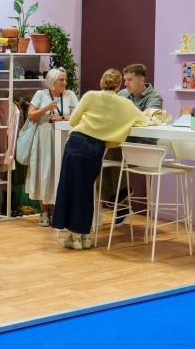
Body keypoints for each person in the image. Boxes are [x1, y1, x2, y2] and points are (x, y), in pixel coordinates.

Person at [52, 69, 148, 250]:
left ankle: (75, 238)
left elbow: (73, 122)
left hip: (77, 143)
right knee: (87, 191)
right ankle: (85, 236)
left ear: (102, 81)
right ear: (119, 85)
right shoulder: (124, 104)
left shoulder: (91, 96)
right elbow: (142, 121)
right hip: (97, 149)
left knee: (71, 189)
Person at [101, 62, 164, 205]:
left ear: (141, 80)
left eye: (129, 80)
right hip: (126, 142)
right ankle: (114, 198)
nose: (125, 84)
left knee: (113, 149)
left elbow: (147, 118)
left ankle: (118, 196)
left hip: (144, 146)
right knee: (101, 149)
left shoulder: (154, 97)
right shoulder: (123, 94)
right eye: (125, 80)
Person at [26, 68, 79, 227]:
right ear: (52, 81)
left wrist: (61, 117)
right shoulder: (40, 94)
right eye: (61, 80)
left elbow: (78, 115)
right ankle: (43, 211)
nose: (65, 82)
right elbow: (30, 116)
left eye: (65, 79)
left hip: (63, 138)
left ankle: (56, 210)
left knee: (58, 172)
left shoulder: (70, 95)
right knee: (44, 172)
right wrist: (46, 109)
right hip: (43, 139)